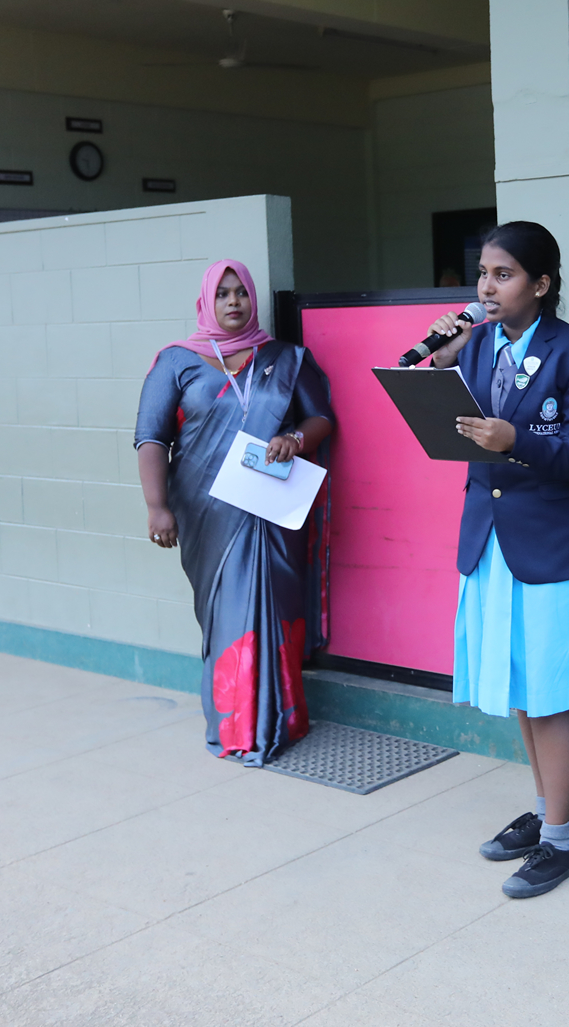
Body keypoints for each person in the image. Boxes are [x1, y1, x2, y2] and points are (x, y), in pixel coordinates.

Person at [418, 221, 569, 899]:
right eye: (482, 274)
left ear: (541, 283)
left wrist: (516, 438)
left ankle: (562, 840)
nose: (486, 286)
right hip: (491, 539)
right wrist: (442, 365)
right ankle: (543, 813)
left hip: (553, 544)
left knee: (551, 693)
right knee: (520, 690)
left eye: (503, 274)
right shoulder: (473, 347)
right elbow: (454, 430)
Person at [135, 259, 335, 765]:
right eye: (222, 294)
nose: (233, 302)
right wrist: (157, 507)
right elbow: (151, 437)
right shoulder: (176, 361)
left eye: (240, 292)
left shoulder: (286, 357)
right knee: (228, 616)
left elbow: (321, 419)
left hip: (273, 512)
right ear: (206, 301)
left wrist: (294, 438)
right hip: (209, 516)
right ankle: (235, 726)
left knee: (276, 607)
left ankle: (284, 719)